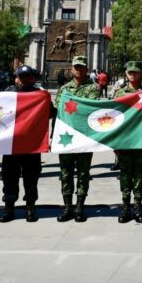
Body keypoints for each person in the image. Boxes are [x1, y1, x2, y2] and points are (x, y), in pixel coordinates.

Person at [0, 65, 48, 223]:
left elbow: (50, 113)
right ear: (17, 77)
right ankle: (9, 207)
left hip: (31, 145)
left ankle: (30, 207)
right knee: (9, 177)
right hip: (11, 144)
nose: (24, 79)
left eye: (27, 77)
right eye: (21, 76)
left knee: (31, 178)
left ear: (33, 78)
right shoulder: (8, 94)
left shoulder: (39, 95)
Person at [54, 55, 99, 222]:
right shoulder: (64, 89)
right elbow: (58, 108)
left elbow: (91, 109)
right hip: (66, 137)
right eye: (76, 67)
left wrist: (73, 106)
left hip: (84, 137)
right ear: (71, 69)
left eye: (82, 67)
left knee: (83, 173)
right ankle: (67, 207)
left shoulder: (93, 88)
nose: (79, 69)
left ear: (87, 69)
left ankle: (80, 207)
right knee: (66, 174)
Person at [112, 61, 142, 224]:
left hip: (141, 139)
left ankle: (138, 207)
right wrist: (115, 142)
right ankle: (126, 206)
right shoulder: (120, 94)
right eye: (130, 72)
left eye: (136, 72)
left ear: (141, 74)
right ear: (126, 74)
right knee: (125, 174)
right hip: (125, 140)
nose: (132, 74)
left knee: (140, 175)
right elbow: (113, 117)